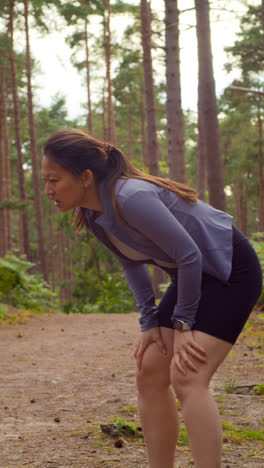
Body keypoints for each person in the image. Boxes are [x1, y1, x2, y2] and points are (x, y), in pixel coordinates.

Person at [42, 128, 262, 468]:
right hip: (193, 274)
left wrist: (183, 324)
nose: (48, 190)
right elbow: (131, 264)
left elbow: (190, 255)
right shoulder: (94, 214)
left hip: (231, 268)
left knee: (188, 376)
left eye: (54, 180)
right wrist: (149, 324)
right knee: (149, 369)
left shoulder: (131, 197)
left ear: (85, 177)